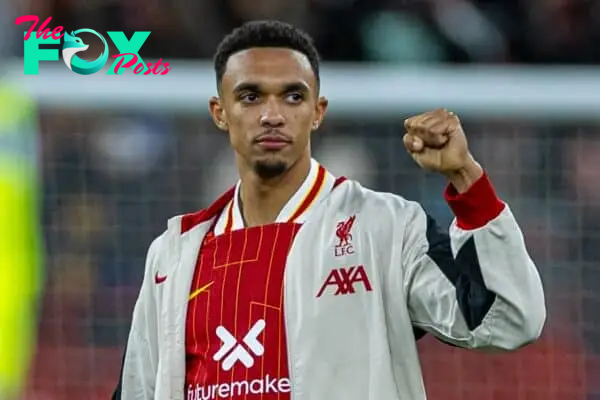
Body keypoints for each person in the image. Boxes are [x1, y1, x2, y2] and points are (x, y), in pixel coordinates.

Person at [113, 20, 546, 400]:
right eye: (250, 96)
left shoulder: (386, 228)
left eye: (292, 97)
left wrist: (467, 180)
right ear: (220, 112)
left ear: (318, 112)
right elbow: (138, 389)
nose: (271, 115)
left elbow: (507, 321)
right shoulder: (173, 255)